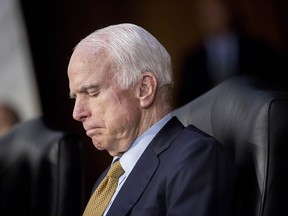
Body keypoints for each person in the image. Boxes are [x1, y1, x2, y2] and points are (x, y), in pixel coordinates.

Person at [67, 23, 236, 216]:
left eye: (92, 92)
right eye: (75, 97)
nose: (77, 113)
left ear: (144, 89)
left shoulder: (195, 159)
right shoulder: (104, 183)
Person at [178, 0, 288, 106]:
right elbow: (186, 101)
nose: (211, 16)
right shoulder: (192, 60)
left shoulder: (258, 48)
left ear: (228, 11)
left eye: (215, 10)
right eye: (205, 12)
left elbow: (278, 87)